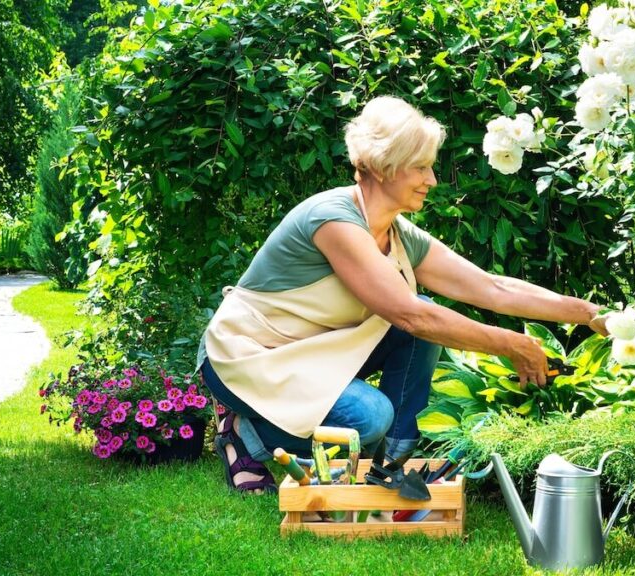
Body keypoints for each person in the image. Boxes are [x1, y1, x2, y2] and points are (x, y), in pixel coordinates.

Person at [198, 96, 608, 493]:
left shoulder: (396, 232)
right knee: (368, 417)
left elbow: (491, 287)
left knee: (423, 321)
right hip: (251, 357)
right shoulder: (332, 220)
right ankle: (244, 432)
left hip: (315, 357)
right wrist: (511, 344)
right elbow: (410, 315)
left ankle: (389, 464)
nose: (431, 180)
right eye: (421, 167)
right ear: (382, 166)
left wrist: (589, 313)